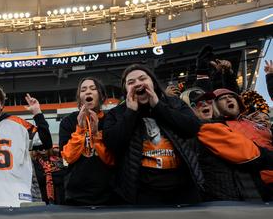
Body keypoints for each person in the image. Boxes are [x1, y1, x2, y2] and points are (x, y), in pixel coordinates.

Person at [103, 64, 203, 205]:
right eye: (131, 82)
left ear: (153, 83)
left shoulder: (174, 103)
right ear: (125, 90)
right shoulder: (116, 113)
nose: (137, 83)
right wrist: (130, 113)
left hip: (183, 188)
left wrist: (158, 106)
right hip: (142, 191)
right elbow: (112, 144)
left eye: (142, 78)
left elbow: (193, 128)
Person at [180, 88, 271, 201]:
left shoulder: (222, 125)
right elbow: (250, 155)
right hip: (225, 200)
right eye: (198, 103)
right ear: (187, 108)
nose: (205, 105)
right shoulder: (205, 129)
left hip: (249, 192)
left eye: (208, 101)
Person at [59, 77, 116, 206]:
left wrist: (96, 135)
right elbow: (68, 157)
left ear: (101, 95)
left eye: (93, 88)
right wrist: (80, 130)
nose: (88, 92)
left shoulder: (110, 119)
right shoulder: (68, 121)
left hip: (108, 194)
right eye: (83, 90)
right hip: (76, 195)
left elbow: (112, 159)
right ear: (79, 97)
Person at [212, 88, 273, 187]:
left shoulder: (254, 123)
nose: (228, 99)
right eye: (223, 98)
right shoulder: (219, 126)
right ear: (215, 105)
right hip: (258, 184)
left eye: (231, 97)